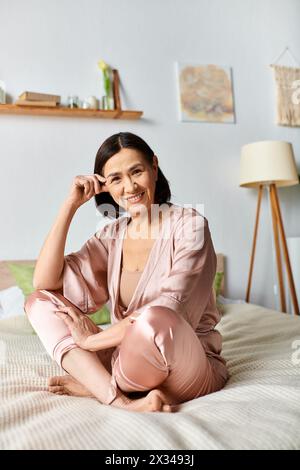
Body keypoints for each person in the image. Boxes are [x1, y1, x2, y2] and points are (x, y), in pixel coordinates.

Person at [25, 132, 229, 413]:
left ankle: (97, 386)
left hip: (188, 366)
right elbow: (44, 282)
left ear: (154, 167)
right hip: (129, 361)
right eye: (116, 178)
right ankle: (120, 398)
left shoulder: (190, 226)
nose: (130, 186)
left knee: (155, 318)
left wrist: (92, 341)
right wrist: (69, 205)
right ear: (105, 186)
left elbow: (169, 308)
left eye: (137, 171)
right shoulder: (110, 236)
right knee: (39, 300)